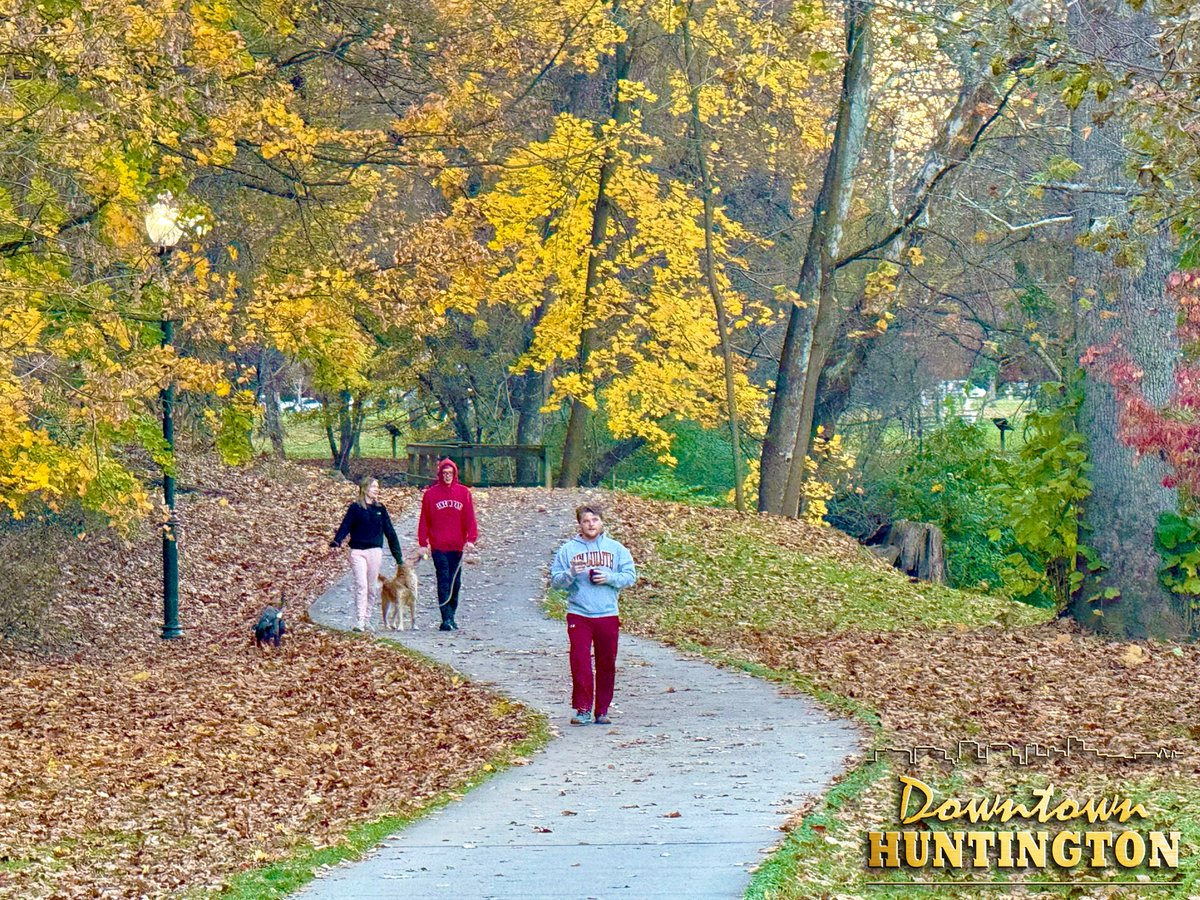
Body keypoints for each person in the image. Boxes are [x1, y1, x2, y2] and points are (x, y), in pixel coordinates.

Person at [549, 503, 636, 725]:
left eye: (595, 520)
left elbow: (630, 576)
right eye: (586, 521)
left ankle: (602, 710)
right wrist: (570, 573)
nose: (591, 524)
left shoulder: (616, 549)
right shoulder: (568, 550)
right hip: (579, 614)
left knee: (606, 663)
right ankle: (583, 709)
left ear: (601, 522)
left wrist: (609, 578)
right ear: (579, 524)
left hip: (607, 614)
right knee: (580, 661)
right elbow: (556, 582)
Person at [331, 476, 403, 632]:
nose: (377, 489)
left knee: (371, 587)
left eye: (378, 487)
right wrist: (337, 541)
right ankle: (360, 620)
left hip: (375, 551)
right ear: (364, 489)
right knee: (361, 585)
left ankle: (368, 618)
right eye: (373, 487)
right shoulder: (355, 508)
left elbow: (390, 532)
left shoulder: (380, 509)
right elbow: (345, 526)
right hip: (357, 551)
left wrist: (398, 557)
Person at [416, 458, 478, 631]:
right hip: (439, 546)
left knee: (455, 582)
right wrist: (423, 542)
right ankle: (446, 618)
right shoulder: (431, 495)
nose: (447, 476)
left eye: (450, 473)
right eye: (444, 473)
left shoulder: (464, 493)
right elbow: (424, 520)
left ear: (455, 474)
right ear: (440, 474)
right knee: (443, 579)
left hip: (457, 546)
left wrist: (471, 539)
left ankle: (452, 615)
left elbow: (469, 517)